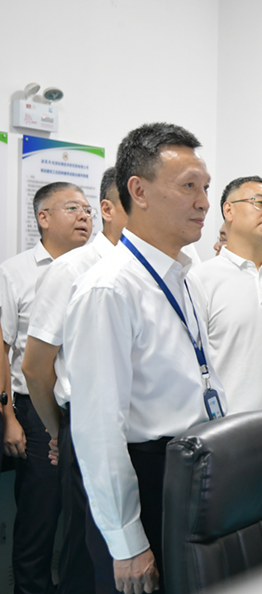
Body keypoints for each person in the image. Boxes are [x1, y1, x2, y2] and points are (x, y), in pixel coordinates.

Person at [64, 122, 228, 594]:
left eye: (206, 188)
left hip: (191, 473)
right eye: (189, 187)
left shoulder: (182, 275)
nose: (204, 202)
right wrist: (127, 542)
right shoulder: (109, 288)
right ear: (138, 191)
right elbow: (98, 429)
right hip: (147, 478)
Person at [22, 168, 127, 593]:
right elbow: (34, 366)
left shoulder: (158, 268)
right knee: (85, 550)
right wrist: (56, 430)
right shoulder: (71, 269)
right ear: (111, 208)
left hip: (137, 431)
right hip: (83, 425)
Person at [1, 180, 93, 594]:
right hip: (33, 411)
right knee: (39, 521)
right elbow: (4, 348)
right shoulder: (16, 272)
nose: (84, 216)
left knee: (83, 520)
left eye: (88, 209)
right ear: (43, 218)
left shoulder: (98, 267)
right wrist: (8, 417)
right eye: (73, 208)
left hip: (81, 409)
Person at [188, 177, 262, 419]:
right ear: (228, 210)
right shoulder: (199, 279)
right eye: (259, 203)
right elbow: (189, 367)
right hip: (225, 429)